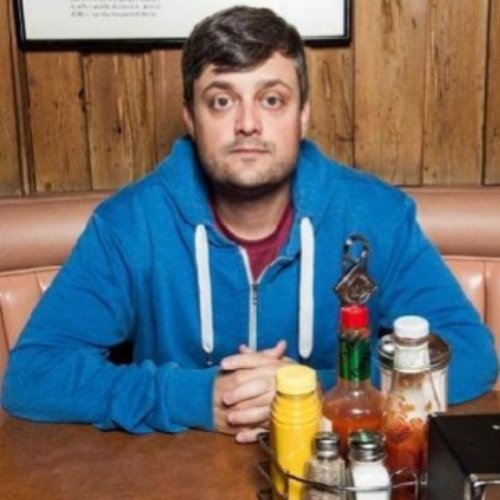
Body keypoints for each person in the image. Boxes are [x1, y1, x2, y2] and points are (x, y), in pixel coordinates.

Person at [1, 6, 498, 443]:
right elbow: (32, 376)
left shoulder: (376, 215)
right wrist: (195, 397)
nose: (247, 124)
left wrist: (319, 388)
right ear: (191, 119)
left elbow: (471, 353)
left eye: (272, 99)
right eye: (221, 100)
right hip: (178, 475)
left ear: (303, 115)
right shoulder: (131, 225)